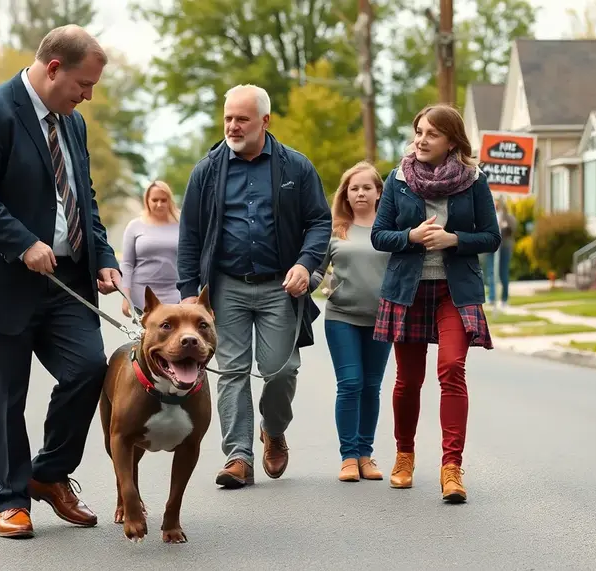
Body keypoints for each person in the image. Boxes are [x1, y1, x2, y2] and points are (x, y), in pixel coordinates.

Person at [0, 25, 121, 539]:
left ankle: (47, 474)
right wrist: (23, 242)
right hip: (1, 279)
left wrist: (104, 256)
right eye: (83, 84)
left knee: (88, 368)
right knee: (4, 395)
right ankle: (9, 498)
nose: (87, 95)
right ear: (53, 69)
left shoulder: (73, 124)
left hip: (66, 278)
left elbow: (82, 199)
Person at [177, 84, 332, 489]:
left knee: (282, 370)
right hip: (225, 286)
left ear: (264, 121)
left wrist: (305, 263)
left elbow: (319, 221)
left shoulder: (295, 167)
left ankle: (273, 429)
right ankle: (238, 456)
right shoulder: (206, 170)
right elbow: (190, 235)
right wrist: (189, 292)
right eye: (228, 118)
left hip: (280, 286)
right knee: (231, 371)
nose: (232, 126)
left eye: (241, 119)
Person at [370, 104, 500, 504]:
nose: (421, 140)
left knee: (451, 368)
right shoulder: (398, 179)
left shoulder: (474, 182)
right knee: (409, 380)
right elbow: (379, 235)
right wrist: (410, 236)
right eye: (418, 132)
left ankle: (451, 468)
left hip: (454, 291)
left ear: (451, 142)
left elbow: (491, 236)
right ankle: (404, 456)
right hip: (407, 290)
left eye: (431, 134)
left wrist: (454, 239)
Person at [309, 161, 393, 483]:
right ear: (346, 193)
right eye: (354, 188)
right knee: (350, 384)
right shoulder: (334, 230)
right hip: (342, 317)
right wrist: (303, 284)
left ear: (378, 192)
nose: (360, 193)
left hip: (382, 320)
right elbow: (317, 270)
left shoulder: (389, 229)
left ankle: (365, 455)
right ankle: (348, 457)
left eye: (366, 187)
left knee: (371, 387)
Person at [119, 180, 181, 317]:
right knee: (151, 336)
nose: (159, 204)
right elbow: (127, 264)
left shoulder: (182, 224)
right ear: (147, 200)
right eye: (155, 200)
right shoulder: (135, 226)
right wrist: (126, 296)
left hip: (175, 293)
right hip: (142, 293)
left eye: (163, 200)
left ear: (170, 200)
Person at [483, 197, 517, 309]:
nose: (495, 205)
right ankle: (492, 297)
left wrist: (505, 222)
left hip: (504, 247)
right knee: (491, 273)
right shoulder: (489, 215)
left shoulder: (507, 217)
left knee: (503, 273)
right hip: (491, 247)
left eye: (497, 203)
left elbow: (513, 228)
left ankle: (504, 299)